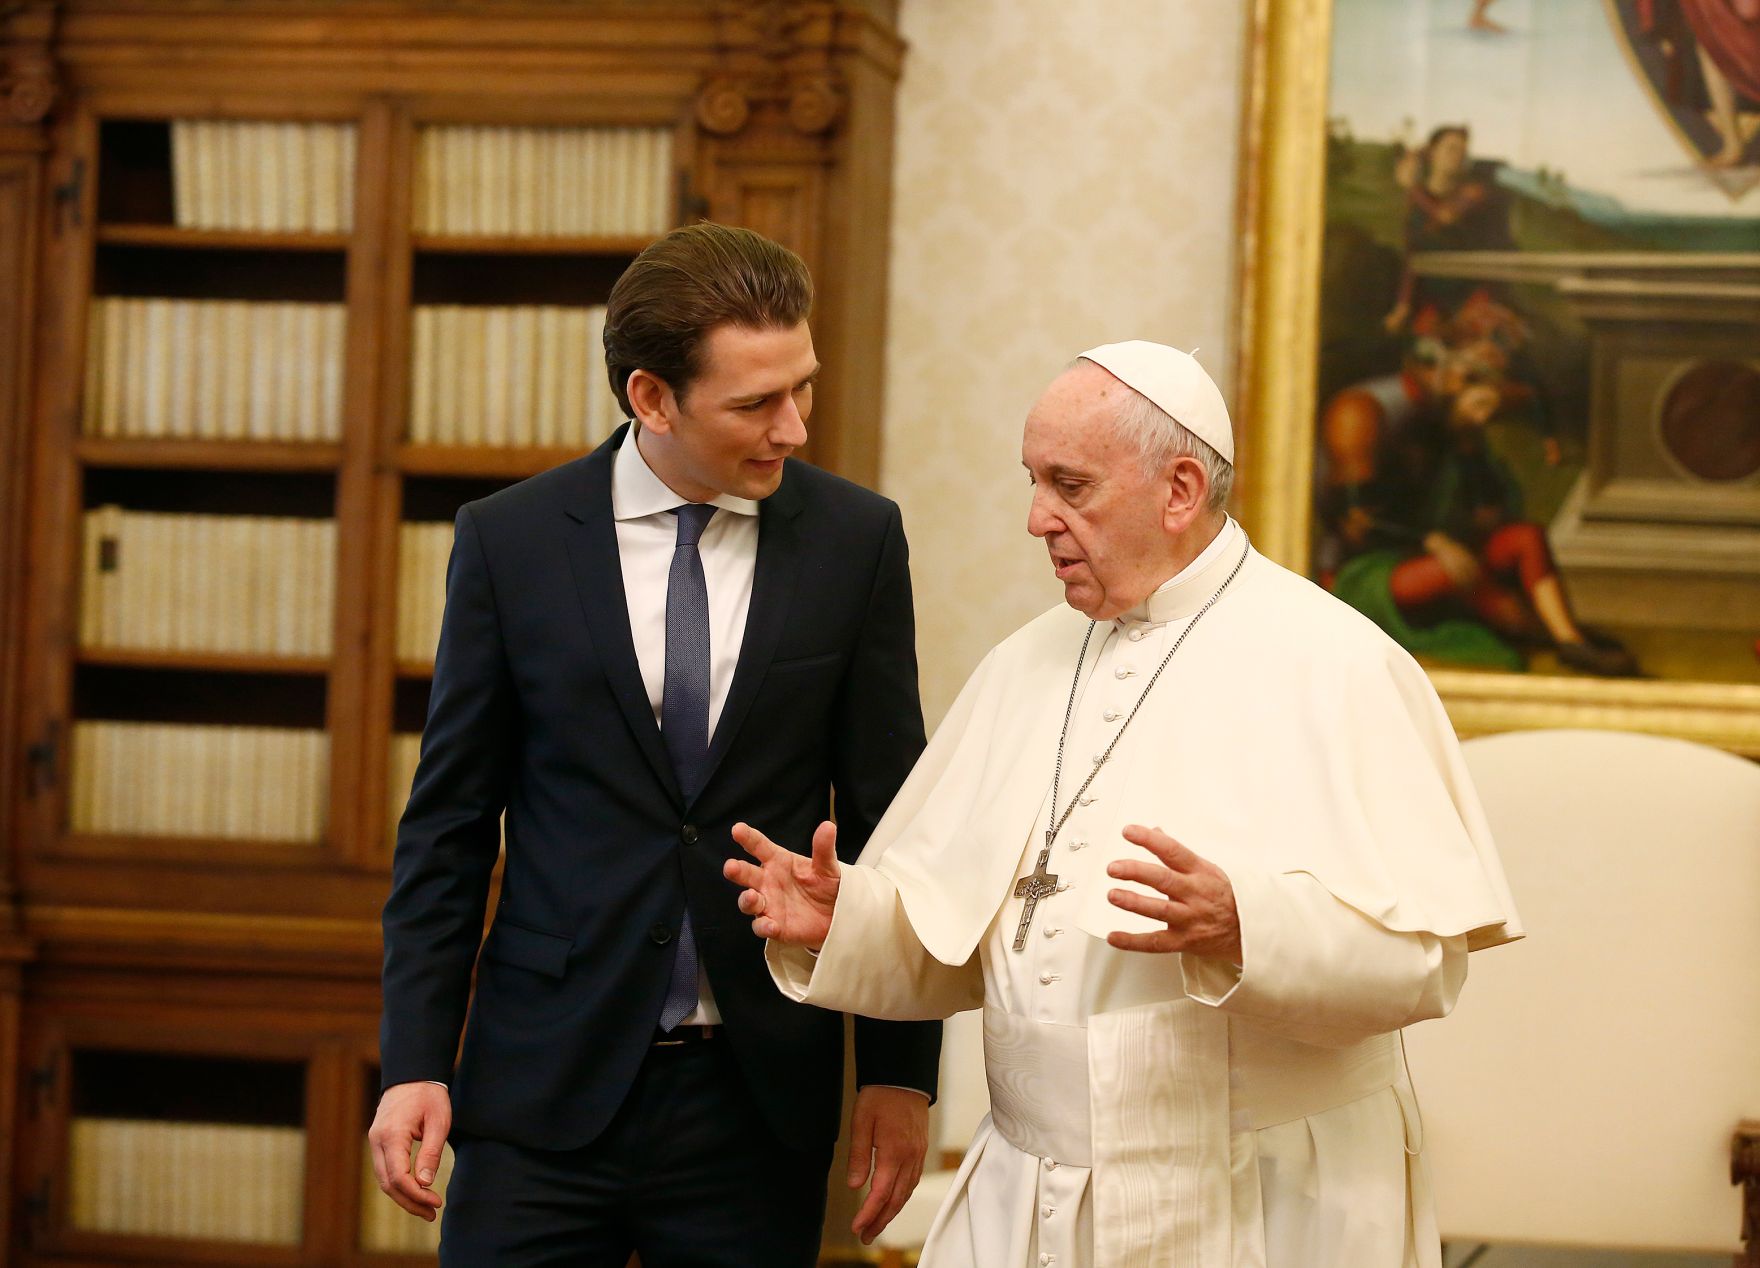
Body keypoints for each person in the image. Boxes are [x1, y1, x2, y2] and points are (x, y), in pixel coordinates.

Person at [726, 341, 1523, 1268]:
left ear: (1179, 490)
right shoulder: (1022, 664)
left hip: (1264, 1197)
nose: (1036, 520)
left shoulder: (1339, 662)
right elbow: (973, 942)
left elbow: (1427, 963)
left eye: (1071, 486)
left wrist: (1246, 923)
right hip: (1031, 1191)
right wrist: (850, 921)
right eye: (1033, 482)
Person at [371, 222, 940, 1266]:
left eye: (801, 387)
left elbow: (888, 821)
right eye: (755, 403)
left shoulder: (857, 543)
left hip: (755, 1096)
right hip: (540, 1086)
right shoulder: (511, 542)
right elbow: (448, 826)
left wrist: (900, 1070)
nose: (795, 427)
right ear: (650, 397)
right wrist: (413, 1059)